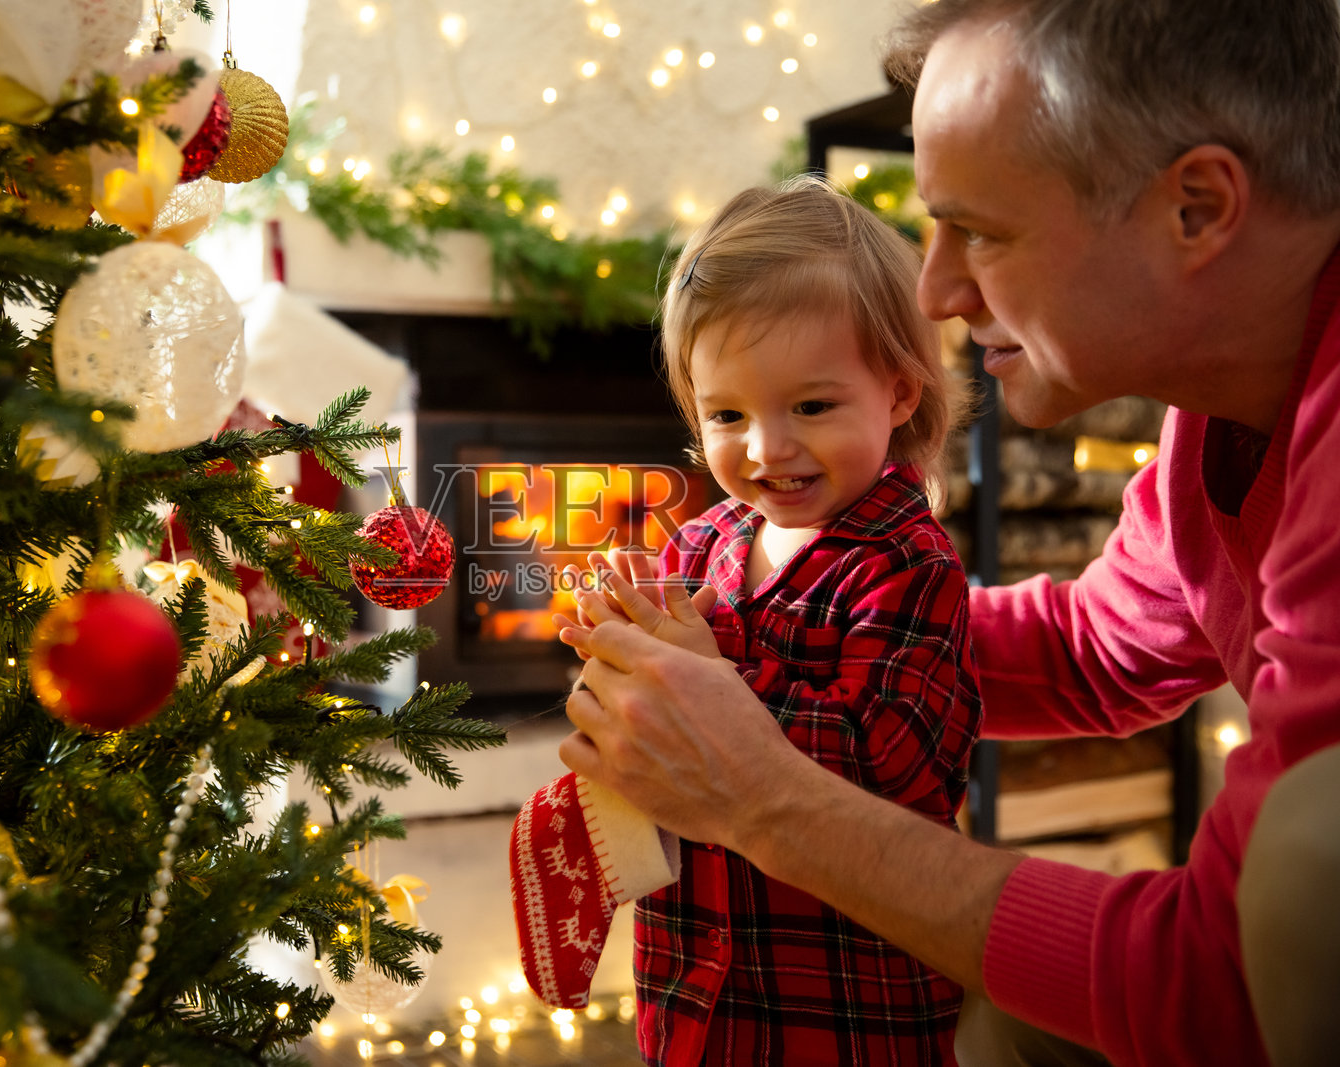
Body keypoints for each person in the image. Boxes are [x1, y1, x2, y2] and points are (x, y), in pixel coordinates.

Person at [557, 1, 1340, 1065]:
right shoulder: (1213, 427)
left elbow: (1224, 981)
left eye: (978, 227)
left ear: (1196, 207)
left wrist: (753, 780)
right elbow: (1093, 651)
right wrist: (758, 639)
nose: (933, 288)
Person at [524, 175, 983, 1066]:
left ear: (896, 392)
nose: (767, 448)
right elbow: (647, 736)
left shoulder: (907, 562)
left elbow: (893, 763)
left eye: (811, 406)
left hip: (845, 1001)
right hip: (695, 985)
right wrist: (619, 642)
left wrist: (711, 672)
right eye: (727, 414)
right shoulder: (698, 545)